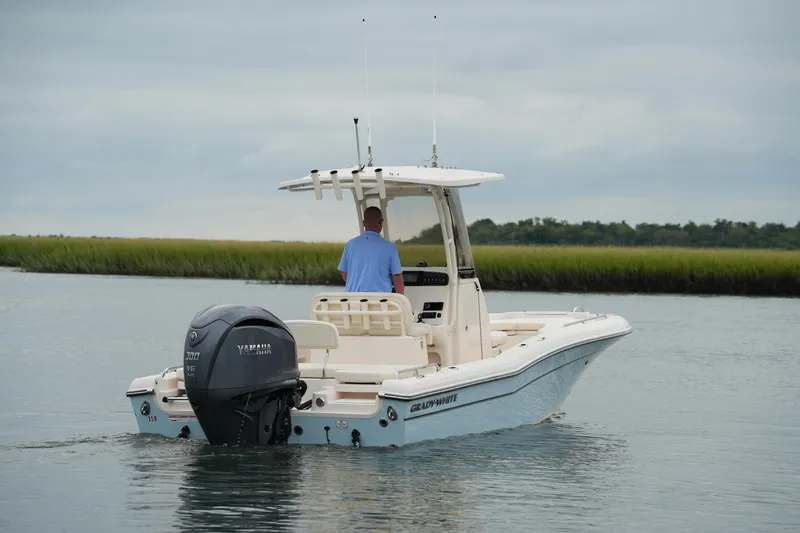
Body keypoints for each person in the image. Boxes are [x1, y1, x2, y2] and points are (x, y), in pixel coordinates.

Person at [337, 206, 405, 294]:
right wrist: (401, 300)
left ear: (364, 223)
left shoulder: (350, 245)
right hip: (380, 303)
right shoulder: (390, 248)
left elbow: (345, 275)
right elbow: (397, 278)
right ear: (381, 223)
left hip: (353, 303)